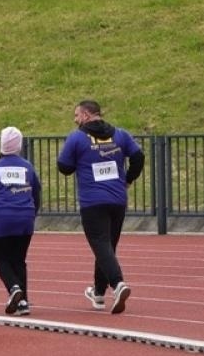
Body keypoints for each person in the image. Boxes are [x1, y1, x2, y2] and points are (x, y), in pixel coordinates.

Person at [57, 99, 142, 314]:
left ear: (86, 115)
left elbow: (64, 167)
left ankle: (118, 284)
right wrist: (129, 179)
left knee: (101, 244)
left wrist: (81, 159)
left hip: (92, 201)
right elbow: (139, 157)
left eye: (77, 115)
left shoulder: (77, 137)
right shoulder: (120, 134)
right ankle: (98, 293)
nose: (75, 120)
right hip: (117, 200)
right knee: (107, 248)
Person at [0, 125, 40, 316]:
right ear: (19, 145)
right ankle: (24, 303)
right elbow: (37, 194)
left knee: (1, 260)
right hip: (26, 218)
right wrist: (31, 213)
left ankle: (14, 288)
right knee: (19, 260)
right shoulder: (28, 167)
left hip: (4, 218)